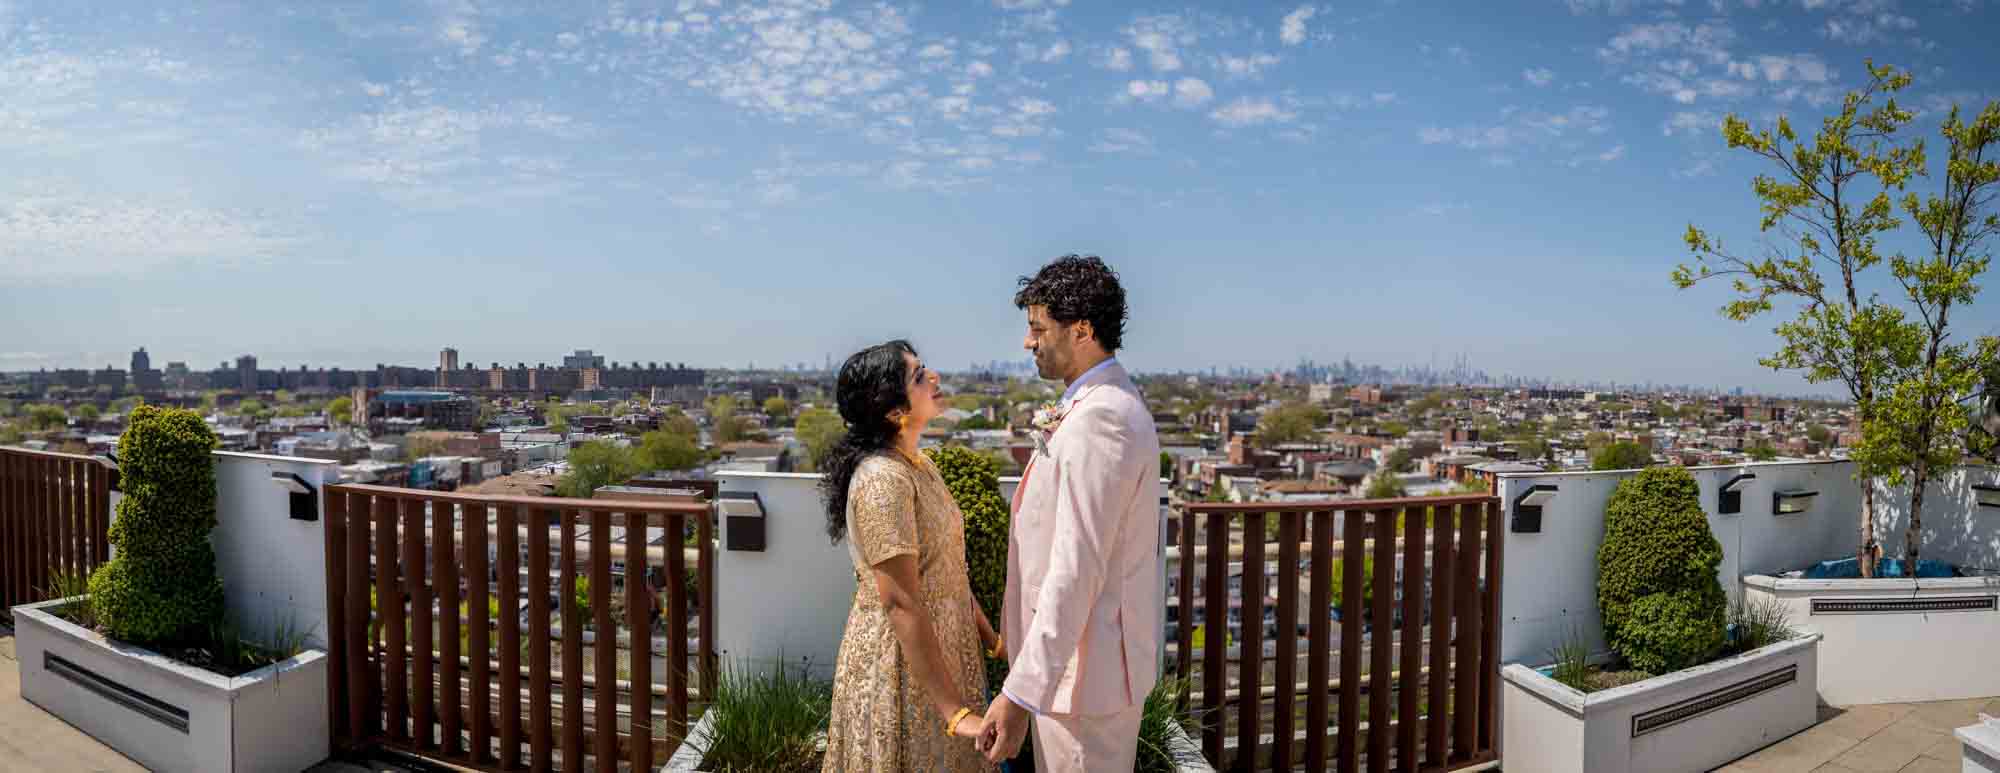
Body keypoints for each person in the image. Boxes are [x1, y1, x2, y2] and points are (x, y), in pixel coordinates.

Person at [979, 255, 1163, 771]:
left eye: (1038, 328)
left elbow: (1076, 569)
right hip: (1075, 676)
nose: (1027, 341)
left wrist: (1020, 695)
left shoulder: (1103, 417)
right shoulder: (1098, 403)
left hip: (1086, 682)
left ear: (1081, 329)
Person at [820, 340, 1001, 772]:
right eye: (919, 376)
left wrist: (994, 641)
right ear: (891, 408)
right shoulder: (883, 480)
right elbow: (900, 600)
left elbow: (948, 570)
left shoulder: (920, 465)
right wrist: (955, 713)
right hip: (903, 669)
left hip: (946, 655)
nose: (934, 378)